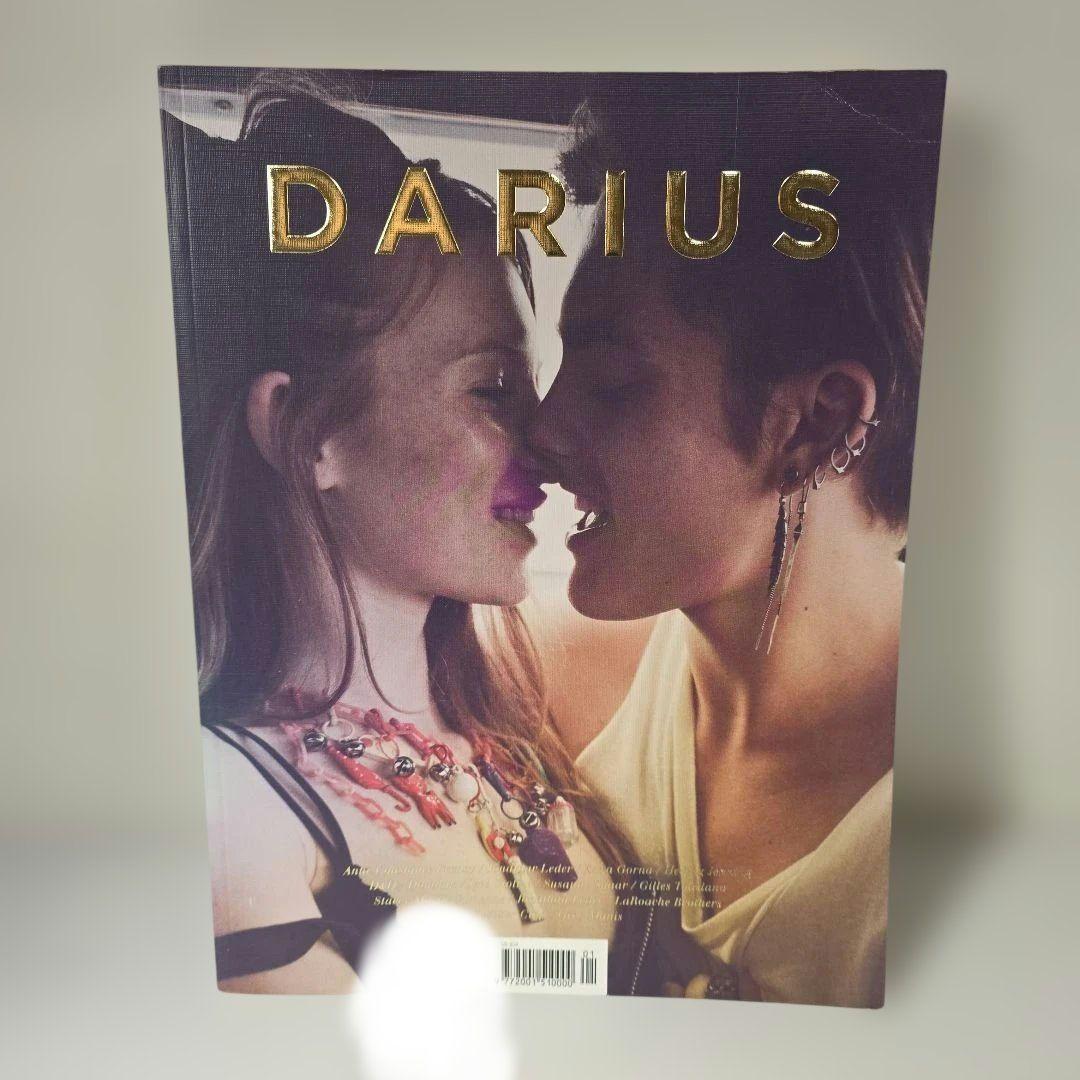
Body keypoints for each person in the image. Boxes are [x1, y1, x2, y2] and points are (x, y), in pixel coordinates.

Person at [162, 77, 657, 994]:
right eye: (492, 389)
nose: (548, 438)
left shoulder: (529, 707)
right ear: (306, 433)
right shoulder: (228, 802)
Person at [526, 73, 944, 1006]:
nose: (542, 430)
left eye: (612, 383)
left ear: (815, 422)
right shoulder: (544, 678)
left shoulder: (966, 812)